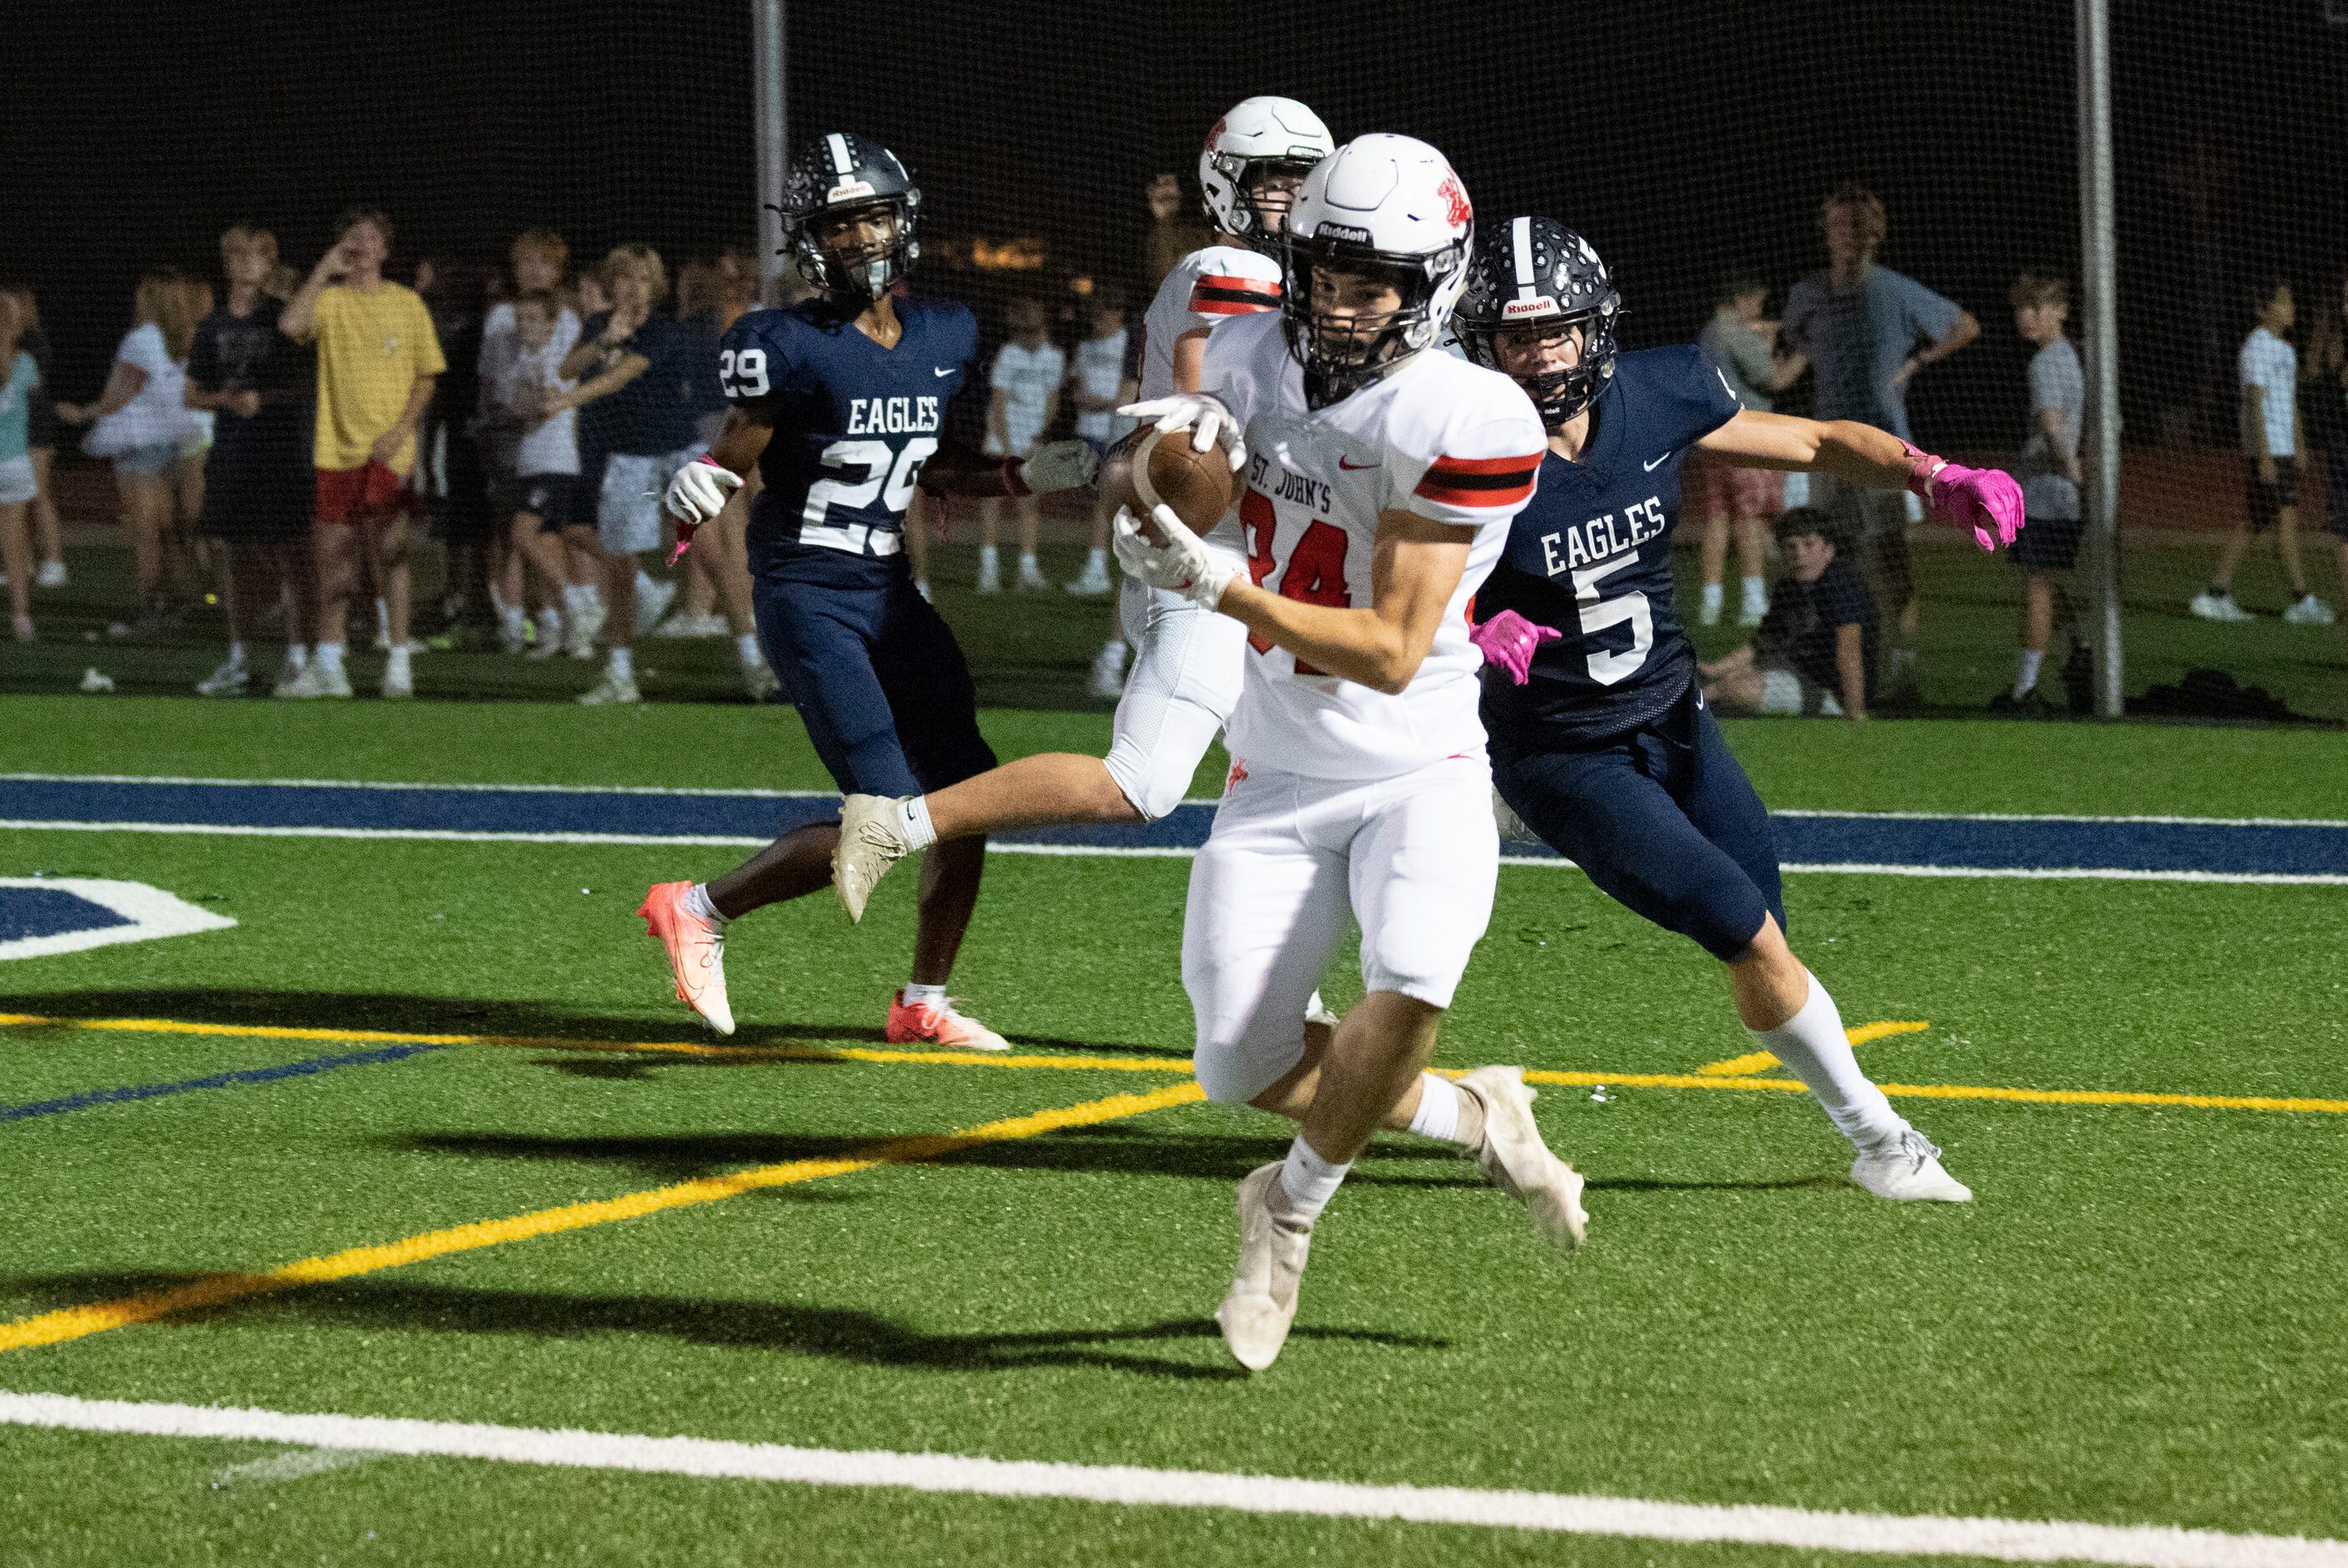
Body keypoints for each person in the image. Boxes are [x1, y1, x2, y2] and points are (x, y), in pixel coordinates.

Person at [1101, 137, 1593, 1372]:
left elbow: (1387, 645)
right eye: (1325, 271)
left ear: (1433, 284)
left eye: (1373, 281)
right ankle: (1477, 1111)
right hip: (1275, 766)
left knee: (1413, 975)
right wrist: (1154, 499)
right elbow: (1153, 493)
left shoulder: (1470, 410)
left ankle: (1289, 1211)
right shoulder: (1254, 346)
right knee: (1237, 1059)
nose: (1340, 300)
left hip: (1414, 757)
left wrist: (1216, 584)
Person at [1451, 218, 2016, 1214]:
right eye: (1515, 336)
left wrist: (1935, 474)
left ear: (1597, 329)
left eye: (1556, 332)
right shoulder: (1454, 438)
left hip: (1675, 717)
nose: (1538, 355)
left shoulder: (1659, 389)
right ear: (1479, 340)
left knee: (1768, 939)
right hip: (1560, 752)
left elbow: (1813, 438)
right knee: (1744, 932)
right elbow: (1379, 573)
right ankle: (1881, 1141)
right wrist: (1468, 620)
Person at [647, 131, 1097, 1048]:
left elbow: (933, 465)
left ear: (905, 218)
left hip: (890, 591)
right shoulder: (784, 344)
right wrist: (695, 489)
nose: (861, 238)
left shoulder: (943, 334)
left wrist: (1017, 476)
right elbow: (733, 454)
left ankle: (922, 1001)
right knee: (888, 817)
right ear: (812, 241)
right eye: (840, 224)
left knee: (966, 795)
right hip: (809, 592)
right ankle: (697, 906)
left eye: (874, 216)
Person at [829, 96, 1333, 911]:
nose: (1290, 199)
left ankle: (1282, 1007)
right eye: (1272, 181)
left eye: (1304, 182)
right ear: (1226, 183)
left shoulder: (1265, 276)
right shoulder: (1232, 272)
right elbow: (1206, 429)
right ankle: (900, 824)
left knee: (1290, 785)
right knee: (1143, 780)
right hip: (1209, 558)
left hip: (1256, 563)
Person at [1780, 185, 1980, 695]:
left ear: (1871, 234)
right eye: (1833, 225)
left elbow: (1965, 325)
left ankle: (1904, 670)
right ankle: (1840, 672)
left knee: (1890, 558)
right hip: (1827, 448)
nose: (1840, 235)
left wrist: (1915, 363)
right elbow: (1794, 339)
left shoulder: (1896, 290)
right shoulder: (1807, 293)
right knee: (1832, 558)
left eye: (1850, 226)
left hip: (1887, 450)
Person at [276, 208, 446, 699]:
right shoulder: (328, 301)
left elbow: (426, 378)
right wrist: (323, 269)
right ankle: (330, 665)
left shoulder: (407, 303)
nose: (360, 245)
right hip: (335, 451)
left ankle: (398, 660)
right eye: (351, 237)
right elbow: (290, 325)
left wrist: (399, 432)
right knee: (333, 558)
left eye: (370, 238)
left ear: (385, 250)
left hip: (389, 452)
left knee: (390, 556)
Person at [548, 245, 699, 704]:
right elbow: (568, 367)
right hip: (622, 457)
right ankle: (619, 673)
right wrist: (604, 339)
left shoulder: (662, 329)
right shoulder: (599, 325)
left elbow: (619, 378)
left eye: (640, 279)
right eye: (622, 279)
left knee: (715, 551)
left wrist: (563, 402)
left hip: (674, 452)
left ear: (654, 286)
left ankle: (757, 661)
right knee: (615, 556)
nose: (631, 288)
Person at [183, 225, 316, 697]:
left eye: (256, 255)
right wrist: (227, 399)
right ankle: (239, 660)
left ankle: (300, 659)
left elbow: (309, 387)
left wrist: (266, 399)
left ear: (268, 265)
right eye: (236, 255)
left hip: (280, 455)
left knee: (291, 557)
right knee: (237, 561)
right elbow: (192, 394)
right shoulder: (212, 326)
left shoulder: (285, 320)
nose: (244, 263)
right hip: (233, 454)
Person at [56, 270, 197, 631]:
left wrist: (82, 413)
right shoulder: (183, 337)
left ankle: (152, 603)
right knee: (166, 526)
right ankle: (175, 598)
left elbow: (120, 392)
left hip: (137, 439)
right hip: (171, 439)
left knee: (143, 528)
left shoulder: (140, 338)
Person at [2193, 281, 2331, 625]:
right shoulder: (2256, 347)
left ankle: (2216, 592)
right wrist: (2265, 454)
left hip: (2284, 449)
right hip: (2270, 450)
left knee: (2256, 521)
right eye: (2284, 302)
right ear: (2264, 309)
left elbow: (2291, 403)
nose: (2292, 308)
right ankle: (2301, 599)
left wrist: (2300, 445)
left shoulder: (2285, 350)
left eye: (2292, 302)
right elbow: (2254, 402)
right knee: (2283, 522)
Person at [1992, 271, 2086, 713]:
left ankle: (2025, 689)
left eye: (2034, 308)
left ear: (2060, 310)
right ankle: (2082, 644)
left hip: (2047, 492)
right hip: (2056, 493)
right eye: (2020, 309)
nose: (2024, 318)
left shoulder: (2045, 362)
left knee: (2036, 586)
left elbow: (2050, 424)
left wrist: (2070, 468)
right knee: (2044, 581)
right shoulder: (2069, 355)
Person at [1692, 275, 1804, 627]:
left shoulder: (1710, 331)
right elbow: (1775, 379)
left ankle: (1711, 604)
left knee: (1717, 519)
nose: (1757, 308)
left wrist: (1765, 340)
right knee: (1750, 519)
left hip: (1712, 437)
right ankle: (1754, 604)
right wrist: (1805, 349)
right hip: (1747, 438)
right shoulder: (1735, 331)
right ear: (1740, 298)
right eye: (1755, 300)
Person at [491, 289, 595, 660]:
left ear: (553, 324)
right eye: (521, 319)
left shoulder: (557, 360)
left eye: (534, 319)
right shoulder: (522, 361)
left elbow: (543, 408)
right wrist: (526, 407)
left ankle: (579, 599)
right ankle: (562, 632)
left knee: (523, 534)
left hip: (556, 464)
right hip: (532, 463)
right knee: (547, 545)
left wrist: (529, 406)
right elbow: (518, 408)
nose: (525, 326)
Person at [1700, 509, 1876, 720]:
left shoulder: (1840, 586)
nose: (1799, 554)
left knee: (1736, 688)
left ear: (1828, 551)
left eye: (1809, 544)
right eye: (1791, 546)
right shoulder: (1787, 588)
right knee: (1721, 684)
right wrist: (1713, 669)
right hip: (1794, 674)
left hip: (1829, 691)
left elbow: (1849, 652)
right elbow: (1763, 644)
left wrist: (1856, 711)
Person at [974, 297, 1064, 593]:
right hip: (1001, 438)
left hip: (1031, 439)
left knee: (1029, 504)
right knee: (992, 502)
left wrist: (1039, 437)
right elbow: (998, 403)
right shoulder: (1009, 355)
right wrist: (1007, 444)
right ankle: (988, 572)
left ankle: (1027, 571)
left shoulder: (1053, 357)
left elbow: (1052, 401)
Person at [1063, 283, 1136, 606]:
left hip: (1119, 433)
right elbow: (1077, 392)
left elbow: (1128, 393)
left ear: (1117, 314)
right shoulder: (1086, 346)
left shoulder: (1129, 343)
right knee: (1098, 503)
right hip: (1088, 431)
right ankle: (1099, 569)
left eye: (1104, 313)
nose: (1098, 320)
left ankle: (1100, 571)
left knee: (1110, 503)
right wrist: (1091, 401)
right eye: (1095, 314)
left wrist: (1105, 404)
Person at [1, 289, 67, 589]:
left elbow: (30, 391)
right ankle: (22, 563)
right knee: (15, 504)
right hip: (17, 432)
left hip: (35, 430)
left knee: (39, 496)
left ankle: (54, 561)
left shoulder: (32, 345)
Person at [2307, 266, 2348, 645]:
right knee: (2344, 530)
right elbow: (2316, 370)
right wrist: (2323, 321)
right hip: (2341, 443)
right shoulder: (2334, 338)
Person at [0, 295, 38, 640]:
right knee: (14, 538)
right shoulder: (24, 363)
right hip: (14, 462)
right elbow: (36, 387)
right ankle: (21, 616)